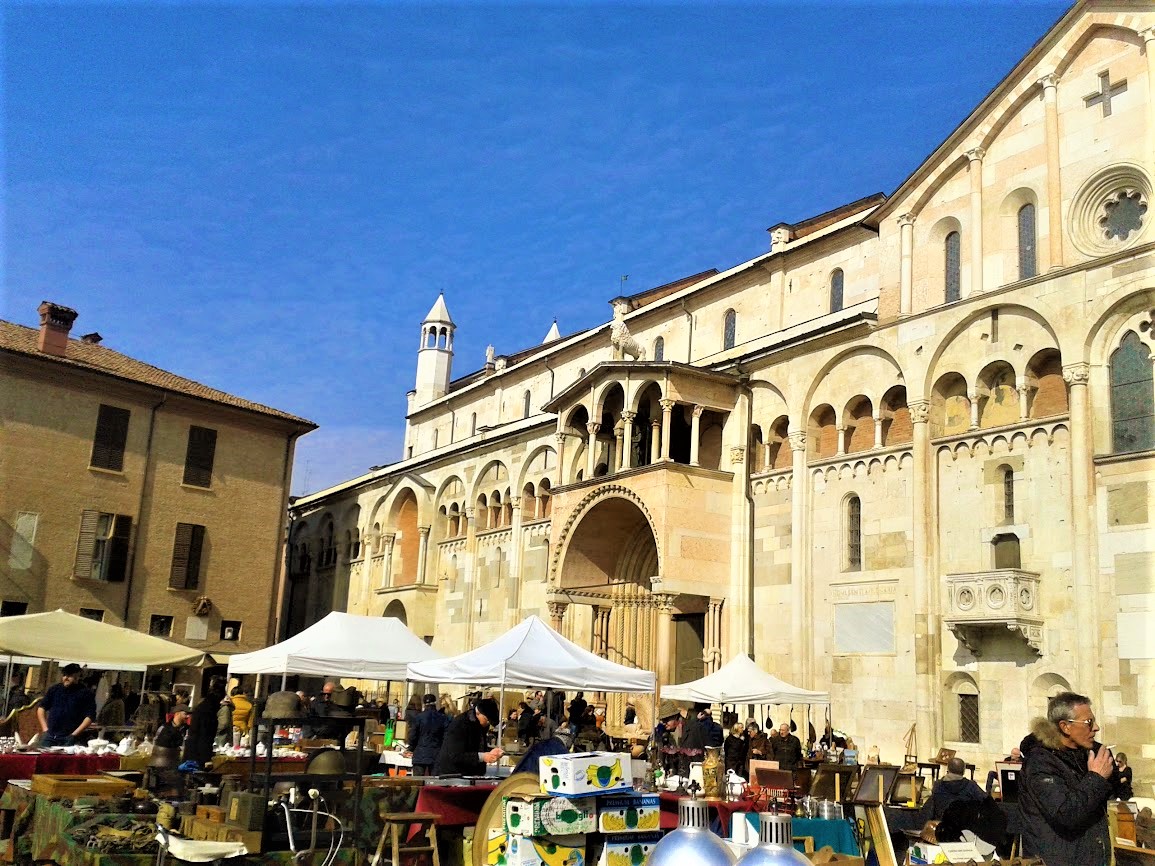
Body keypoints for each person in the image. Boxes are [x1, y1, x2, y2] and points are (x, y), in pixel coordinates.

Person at [1020, 690, 1122, 866]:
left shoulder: (1086, 755)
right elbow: (1066, 814)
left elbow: (1109, 798)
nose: (1096, 728)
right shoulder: (1041, 763)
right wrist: (1096, 778)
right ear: (1065, 726)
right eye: (1089, 723)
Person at [434, 696, 503, 775]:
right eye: (487, 721)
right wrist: (482, 757)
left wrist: (490, 752)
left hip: (471, 773)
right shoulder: (460, 724)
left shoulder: (480, 725)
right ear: (478, 713)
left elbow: (477, 747)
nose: (488, 724)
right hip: (453, 774)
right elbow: (456, 755)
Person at [37, 663, 96, 746]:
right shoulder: (54, 689)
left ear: (77, 676)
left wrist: (74, 734)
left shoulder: (85, 693)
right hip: (50, 735)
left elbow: (90, 716)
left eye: (69, 675)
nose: (66, 678)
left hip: (70, 737)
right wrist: (45, 729)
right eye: (64, 675)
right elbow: (41, 708)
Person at [917, 757, 986, 822]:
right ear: (963, 771)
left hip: (942, 826)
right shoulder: (971, 786)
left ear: (948, 769)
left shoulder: (938, 785)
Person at [182, 678, 226, 767]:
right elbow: (205, 735)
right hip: (198, 752)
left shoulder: (204, 706)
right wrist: (205, 757)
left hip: (193, 749)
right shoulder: (209, 710)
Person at [407, 693, 449, 776]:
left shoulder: (419, 717)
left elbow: (413, 736)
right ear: (435, 703)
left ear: (424, 704)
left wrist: (411, 748)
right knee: (434, 783)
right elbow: (446, 736)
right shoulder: (443, 718)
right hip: (436, 753)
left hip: (420, 753)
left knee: (418, 782)